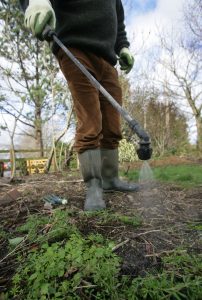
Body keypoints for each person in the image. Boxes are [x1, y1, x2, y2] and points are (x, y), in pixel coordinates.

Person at [20, 0, 139, 211]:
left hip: (108, 59)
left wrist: (123, 47)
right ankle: (94, 185)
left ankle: (110, 178)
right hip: (74, 46)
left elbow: (118, 23)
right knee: (90, 120)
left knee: (112, 122)